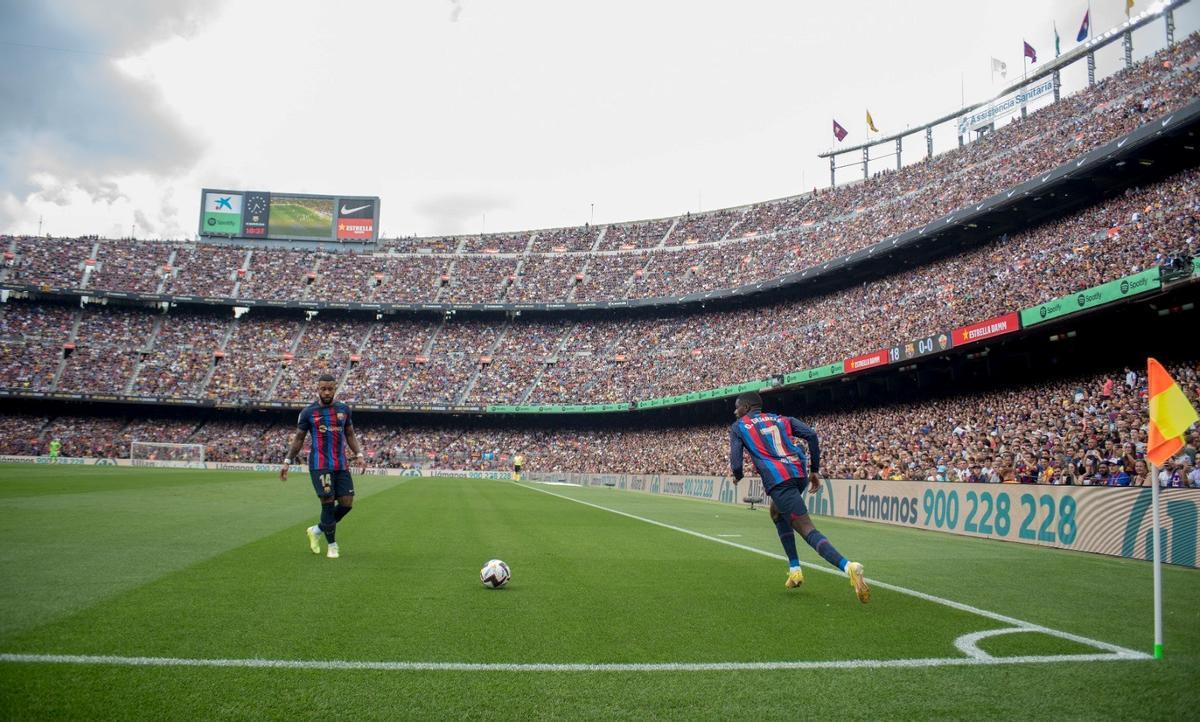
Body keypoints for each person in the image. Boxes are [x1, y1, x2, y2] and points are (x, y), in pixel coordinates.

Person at [728, 392, 869, 603]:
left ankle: (849, 567)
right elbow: (811, 435)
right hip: (799, 473)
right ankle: (795, 570)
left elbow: (737, 463)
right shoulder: (781, 419)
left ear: (747, 407)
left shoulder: (739, 426)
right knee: (776, 512)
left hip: (779, 481)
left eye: (737, 407)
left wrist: (737, 476)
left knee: (806, 529)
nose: (735, 411)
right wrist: (815, 470)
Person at [280, 373, 365, 559]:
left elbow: (350, 434)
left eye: (330, 389)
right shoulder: (309, 412)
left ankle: (317, 529)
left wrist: (359, 454)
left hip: (341, 464)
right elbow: (299, 439)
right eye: (323, 389)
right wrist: (287, 461)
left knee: (346, 503)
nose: (326, 392)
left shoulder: (344, 410)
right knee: (327, 504)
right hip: (320, 465)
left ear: (335, 389)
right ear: (317, 390)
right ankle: (332, 545)